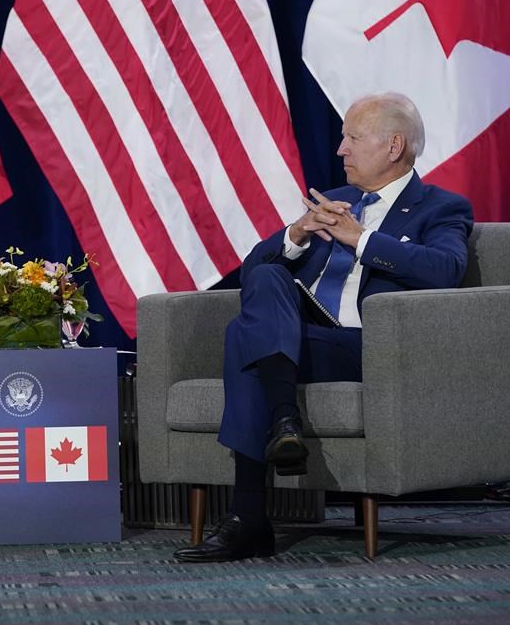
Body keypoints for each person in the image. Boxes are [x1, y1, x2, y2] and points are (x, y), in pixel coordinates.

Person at [174, 92, 473, 563]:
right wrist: (296, 234)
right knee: (268, 277)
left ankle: (249, 516)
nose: (340, 150)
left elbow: (445, 271)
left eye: (352, 138)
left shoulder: (440, 207)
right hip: (300, 333)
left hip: (366, 346)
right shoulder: (335, 201)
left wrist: (362, 239)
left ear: (394, 146)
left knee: (243, 338)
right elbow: (252, 272)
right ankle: (283, 422)